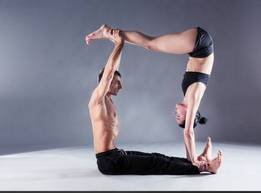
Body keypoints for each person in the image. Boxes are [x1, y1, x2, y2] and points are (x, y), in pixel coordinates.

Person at [87, 30, 222, 177]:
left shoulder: (106, 98)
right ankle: (205, 168)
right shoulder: (98, 98)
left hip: (114, 155)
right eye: (117, 83)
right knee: (157, 164)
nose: (121, 86)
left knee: (158, 158)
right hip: (109, 162)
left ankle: (196, 161)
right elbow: (109, 72)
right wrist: (119, 44)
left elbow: (113, 71)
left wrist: (120, 45)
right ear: (108, 80)